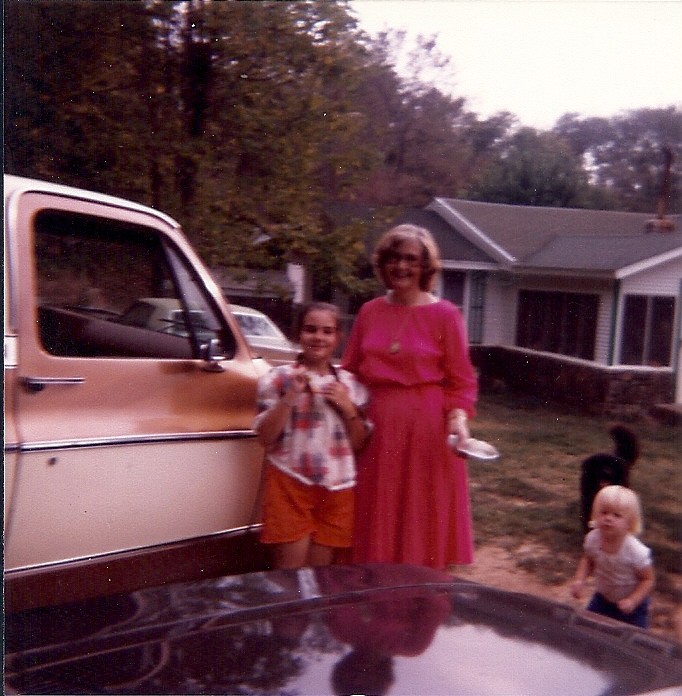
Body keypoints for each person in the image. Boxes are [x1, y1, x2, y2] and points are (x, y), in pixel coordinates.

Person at [341, 224, 478, 569]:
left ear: (425, 267)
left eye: (411, 260)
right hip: (375, 429)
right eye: (394, 258)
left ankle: (418, 593)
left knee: (420, 515)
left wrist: (458, 419)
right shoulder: (370, 311)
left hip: (426, 430)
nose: (401, 266)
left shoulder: (446, 315)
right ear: (383, 263)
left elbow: (462, 381)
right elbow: (350, 371)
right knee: (376, 511)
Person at [254, 302, 370, 569]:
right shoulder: (278, 378)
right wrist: (291, 395)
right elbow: (265, 437)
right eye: (310, 329)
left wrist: (348, 408)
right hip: (291, 480)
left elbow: (359, 443)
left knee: (320, 576)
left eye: (327, 331)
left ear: (338, 338)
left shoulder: (350, 384)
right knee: (292, 575)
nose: (318, 337)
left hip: (337, 486)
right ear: (298, 334)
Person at [571, 485, 655, 628]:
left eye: (617, 515)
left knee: (632, 638)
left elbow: (647, 579)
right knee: (587, 628)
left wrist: (633, 600)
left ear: (629, 523)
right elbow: (588, 559)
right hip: (603, 599)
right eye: (604, 512)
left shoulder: (635, 551)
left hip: (631, 608)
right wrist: (580, 579)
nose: (608, 518)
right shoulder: (593, 538)